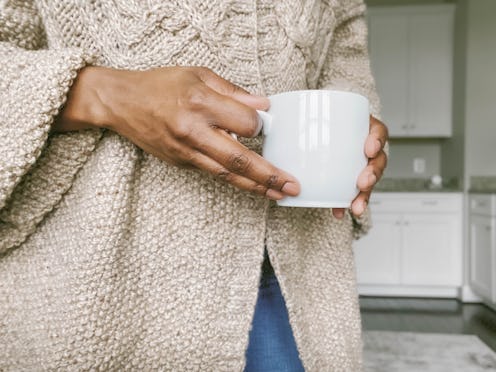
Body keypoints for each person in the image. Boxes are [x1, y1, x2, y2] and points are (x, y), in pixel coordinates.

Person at [0, 0, 388, 371]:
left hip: (301, 273)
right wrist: (107, 94)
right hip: (97, 271)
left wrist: (356, 133)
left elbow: (349, 70)